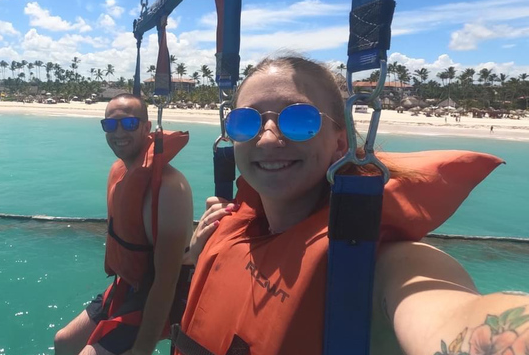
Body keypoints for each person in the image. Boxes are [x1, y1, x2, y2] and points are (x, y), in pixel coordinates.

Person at [174, 56, 524, 355]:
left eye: (299, 119)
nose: (266, 137)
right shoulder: (232, 224)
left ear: (340, 142)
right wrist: (196, 253)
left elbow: (453, 313)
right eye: (245, 121)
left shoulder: (375, 259)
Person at [55, 93, 194, 355]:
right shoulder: (119, 170)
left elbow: (167, 280)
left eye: (129, 124)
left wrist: (142, 348)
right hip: (128, 283)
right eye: (110, 125)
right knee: (65, 341)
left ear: (146, 127)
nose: (119, 132)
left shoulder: (170, 187)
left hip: (160, 293)